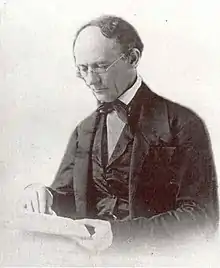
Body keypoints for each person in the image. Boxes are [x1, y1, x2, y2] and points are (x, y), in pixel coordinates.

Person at [22, 15, 219, 251]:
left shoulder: (182, 123)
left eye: (101, 67)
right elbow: (70, 198)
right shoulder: (84, 130)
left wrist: (120, 235)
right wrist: (45, 195)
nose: (91, 80)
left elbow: (202, 218)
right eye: (83, 69)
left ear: (133, 58)